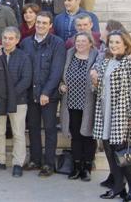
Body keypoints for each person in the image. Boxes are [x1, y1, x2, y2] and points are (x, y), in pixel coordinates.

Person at [92, 30, 131, 201]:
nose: (114, 45)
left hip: (123, 115)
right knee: (109, 151)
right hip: (106, 112)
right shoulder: (107, 61)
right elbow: (99, 87)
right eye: (111, 42)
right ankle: (118, 186)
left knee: (124, 154)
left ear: (125, 44)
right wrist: (95, 81)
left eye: (118, 42)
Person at [20, 11, 66, 177]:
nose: (40, 25)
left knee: (49, 129)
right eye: (38, 22)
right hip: (31, 93)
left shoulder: (57, 43)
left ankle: (48, 163)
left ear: (50, 25)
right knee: (32, 128)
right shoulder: (26, 43)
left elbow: (56, 71)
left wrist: (46, 92)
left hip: (49, 95)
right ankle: (35, 159)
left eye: (44, 23)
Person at [0, 26, 33, 177]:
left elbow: (26, 80)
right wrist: (0, 97)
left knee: (18, 133)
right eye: (5, 38)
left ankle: (17, 163)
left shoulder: (23, 57)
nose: (7, 41)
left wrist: (10, 95)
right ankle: (0, 160)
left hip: (19, 101)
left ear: (17, 40)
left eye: (10, 38)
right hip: (0, 100)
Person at [59, 32, 98, 181]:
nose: (80, 44)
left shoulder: (96, 56)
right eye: (78, 41)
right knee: (75, 136)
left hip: (89, 103)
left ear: (90, 43)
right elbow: (62, 77)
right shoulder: (69, 54)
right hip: (71, 102)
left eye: (83, 41)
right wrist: (61, 86)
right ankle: (76, 167)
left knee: (88, 135)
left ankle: (87, 167)